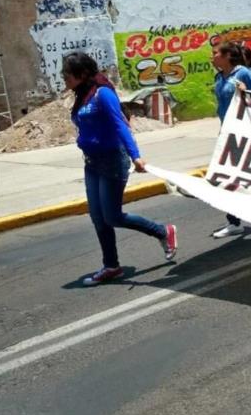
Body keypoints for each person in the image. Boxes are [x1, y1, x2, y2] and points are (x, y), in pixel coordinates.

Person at [62, 52, 177, 286]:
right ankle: (111, 265)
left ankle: (163, 232)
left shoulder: (102, 93)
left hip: (112, 160)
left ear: (82, 74)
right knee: (98, 217)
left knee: (112, 216)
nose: (64, 78)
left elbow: (119, 124)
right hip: (92, 163)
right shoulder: (82, 96)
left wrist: (136, 156)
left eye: (67, 74)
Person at [211, 41, 251, 238]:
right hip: (227, 133)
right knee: (228, 178)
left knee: (238, 177)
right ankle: (234, 221)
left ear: (228, 55)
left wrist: (246, 91)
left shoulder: (243, 73)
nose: (212, 57)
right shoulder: (219, 77)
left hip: (244, 133)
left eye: (215, 53)